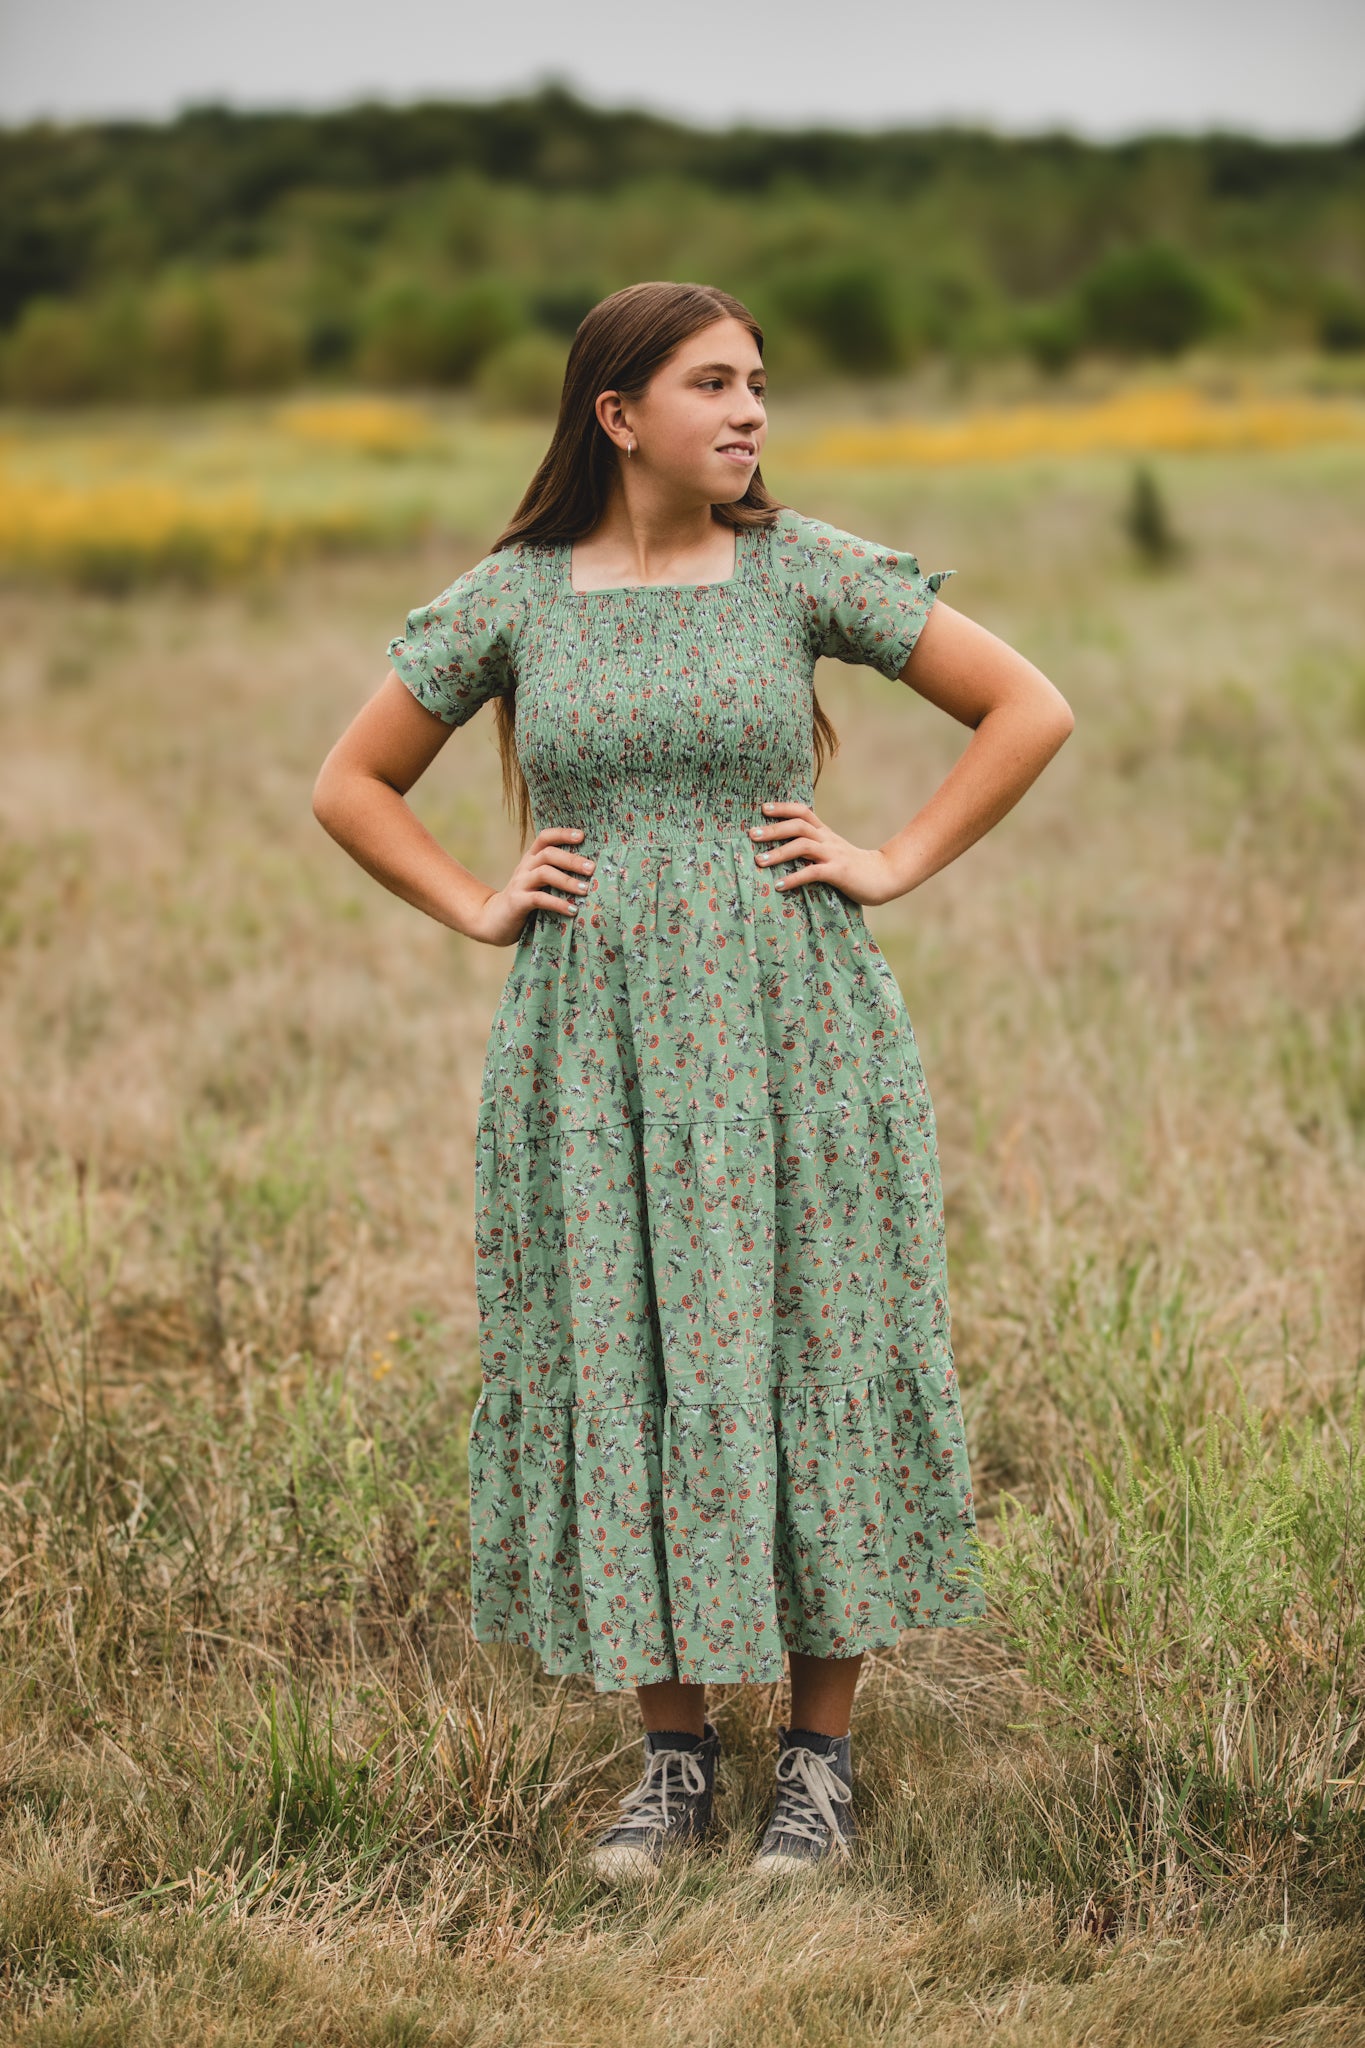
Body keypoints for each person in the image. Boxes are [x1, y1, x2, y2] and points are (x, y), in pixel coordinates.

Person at [312, 280, 1074, 1885]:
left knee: (809, 1328)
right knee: (625, 1342)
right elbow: (351, 782)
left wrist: (891, 857)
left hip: (794, 1028)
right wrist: (476, 899)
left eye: (758, 387)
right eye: (711, 386)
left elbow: (1028, 706)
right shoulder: (514, 594)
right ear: (616, 414)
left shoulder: (801, 570)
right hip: (590, 1043)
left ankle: (818, 1763)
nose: (748, 414)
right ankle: (671, 1762)